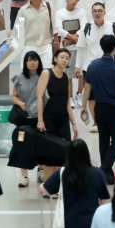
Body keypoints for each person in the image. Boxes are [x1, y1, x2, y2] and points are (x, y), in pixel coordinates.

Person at [81, 35, 115, 185]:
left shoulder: (92, 66)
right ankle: (105, 167)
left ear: (101, 47)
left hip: (99, 108)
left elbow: (87, 89)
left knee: (103, 139)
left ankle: (106, 173)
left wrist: (83, 107)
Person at [41, 139, 110, 228]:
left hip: (68, 224)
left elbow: (45, 191)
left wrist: (42, 185)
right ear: (86, 154)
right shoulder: (97, 173)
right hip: (91, 224)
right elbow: (104, 200)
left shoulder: (63, 173)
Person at [74, 3, 115, 120]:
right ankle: (96, 121)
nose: (97, 13)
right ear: (91, 13)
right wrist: (77, 66)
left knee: (109, 94)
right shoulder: (86, 28)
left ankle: (108, 118)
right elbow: (80, 48)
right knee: (92, 96)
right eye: (94, 11)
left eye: (100, 10)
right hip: (90, 67)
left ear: (105, 12)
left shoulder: (113, 27)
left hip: (110, 68)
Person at [36, 48, 79, 180]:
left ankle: (57, 184)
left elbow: (67, 102)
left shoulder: (66, 77)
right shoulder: (46, 73)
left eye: (67, 58)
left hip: (63, 119)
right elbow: (39, 97)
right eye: (62, 57)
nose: (65, 60)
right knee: (50, 153)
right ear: (55, 59)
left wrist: (73, 123)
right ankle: (47, 183)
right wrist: (40, 120)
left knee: (64, 152)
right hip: (49, 118)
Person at [7, 51, 42, 186]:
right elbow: (13, 95)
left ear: (39, 62)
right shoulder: (19, 78)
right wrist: (20, 103)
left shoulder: (43, 76)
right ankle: (24, 177)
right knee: (22, 145)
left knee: (40, 145)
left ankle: (41, 172)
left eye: (35, 60)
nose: (32, 62)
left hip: (38, 117)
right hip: (23, 118)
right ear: (25, 63)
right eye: (29, 60)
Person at [54, 0, 87, 104]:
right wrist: (73, 38)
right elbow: (59, 29)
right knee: (68, 74)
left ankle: (79, 94)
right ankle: (70, 98)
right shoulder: (60, 13)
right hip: (67, 48)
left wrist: (75, 36)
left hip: (80, 46)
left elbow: (84, 26)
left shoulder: (81, 12)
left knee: (81, 71)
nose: (74, 1)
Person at [16, 0, 54, 67]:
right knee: (27, 74)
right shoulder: (23, 10)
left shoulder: (48, 7)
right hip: (29, 45)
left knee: (47, 73)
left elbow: (54, 27)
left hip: (45, 45)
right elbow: (18, 29)